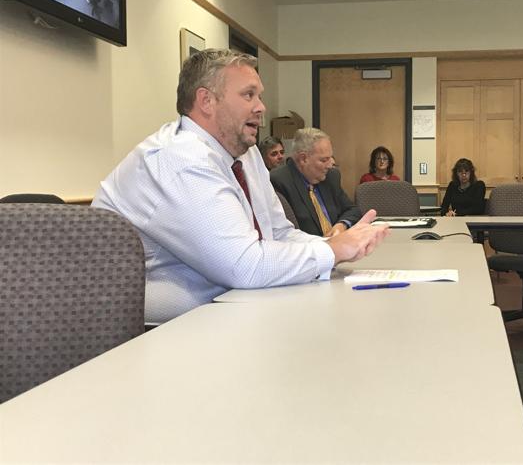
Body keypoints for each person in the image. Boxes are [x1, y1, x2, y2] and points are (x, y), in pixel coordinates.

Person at [92, 49, 388, 325]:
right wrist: (332, 251)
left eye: (259, 96)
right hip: (160, 331)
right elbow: (245, 265)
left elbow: (279, 234)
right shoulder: (180, 158)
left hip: (231, 307)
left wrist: (334, 246)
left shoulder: (246, 154)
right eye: (249, 95)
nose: (262, 107)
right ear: (206, 101)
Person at [271, 128, 361, 237]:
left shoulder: (331, 176)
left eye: (330, 158)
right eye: (324, 160)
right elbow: (284, 233)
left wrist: (341, 225)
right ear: (303, 159)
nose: (330, 165)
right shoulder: (279, 181)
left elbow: (352, 210)